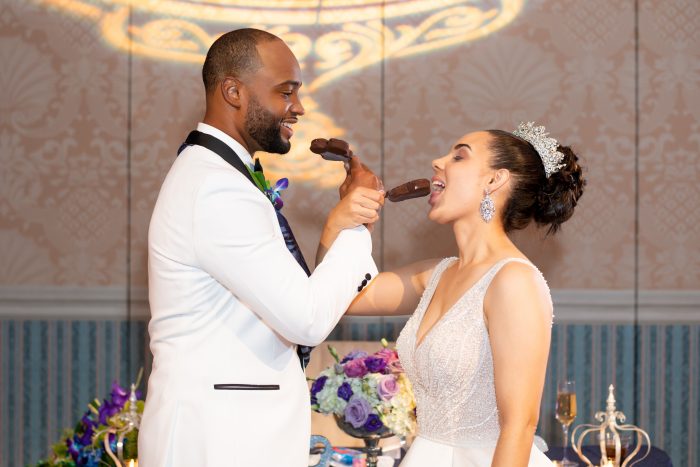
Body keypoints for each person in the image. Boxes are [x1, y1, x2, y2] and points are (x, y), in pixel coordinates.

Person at [139, 28, 384, 467]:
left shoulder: (226, 176)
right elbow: (306, 320)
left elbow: (292, 297)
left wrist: (340, 221)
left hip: (232, 435)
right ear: (233, 91)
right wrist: (356, 224)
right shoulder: (216, 188)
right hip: (216, 440)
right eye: (284, 92)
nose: (299, 108)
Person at [346, 123, 585, 466]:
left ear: (494, 181)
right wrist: (346, 222)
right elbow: (337, 297)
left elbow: (519, 426)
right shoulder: (435, 275)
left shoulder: (514, 280)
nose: (437, 161)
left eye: (458, 156)